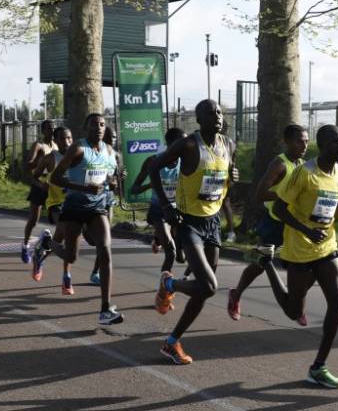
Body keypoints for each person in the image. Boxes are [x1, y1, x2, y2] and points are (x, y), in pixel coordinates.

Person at [262, 125, 338, 389]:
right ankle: (266, 263)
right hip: (300, 249)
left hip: (326, 247)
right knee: (293, 311)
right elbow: (279, 208)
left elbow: (337, 207)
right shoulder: (304, 173)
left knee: (337, 302)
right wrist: (305, 230)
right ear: (322, 145)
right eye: (336, 142)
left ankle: (318, 367)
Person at [150, 100, 237, 365]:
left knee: (202, 290)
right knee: (209, 286)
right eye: (211, 112)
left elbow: (224, 180)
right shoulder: (188, 145)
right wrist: (166, 206)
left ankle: (172, 342)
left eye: (220, 112)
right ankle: (169, 284)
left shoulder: (228, 144)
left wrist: (232, 176)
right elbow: (154, 166)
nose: (217, 116)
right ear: (199, 119)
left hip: (212, 222)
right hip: (188, 223)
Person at [227, 124, 309, 324]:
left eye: (306, 141)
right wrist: (287, 195)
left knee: (302, 266)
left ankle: (297, 306)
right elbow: (260, 194)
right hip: (275, 223)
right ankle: (236, 295)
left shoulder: (303, 165)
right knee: (260, 264)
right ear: (287, 141)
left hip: (293, 224)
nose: (304, 145)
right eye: (299, 141)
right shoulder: (279, 164)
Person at [47, 113, 124, 324]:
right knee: (71, 257)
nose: (98, 128)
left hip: (97, 208)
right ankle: (49, 243)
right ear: (85, 128)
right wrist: (84, 187)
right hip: (74, 207)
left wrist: (113, 184)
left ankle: (105, 309)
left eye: (102, 124)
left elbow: (109, 180)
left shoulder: (110, 152)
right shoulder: (78, 148)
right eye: (93, 125)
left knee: (105, 250)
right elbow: (55, 178)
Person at [130, 128, 187, 274]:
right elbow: (134, 189)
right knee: (171, 253)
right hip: (159, 210)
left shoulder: (187, 161)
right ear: (171, 144)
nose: (186, 146)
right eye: (182, 142)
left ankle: (158, 238)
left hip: (179, 210)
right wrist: (151, 184)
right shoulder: (152, 161)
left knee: (182, 258)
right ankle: (164, 287)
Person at [30, 126, 72, 294]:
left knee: (62, 241)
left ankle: (42, 249)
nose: (66, 142)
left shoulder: (78, 156)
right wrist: (43, 185)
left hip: (75, 203)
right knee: (68, 238)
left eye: (69, 138)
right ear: (55, 141)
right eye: (62, 138)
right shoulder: (50, 158)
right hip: (56, 204)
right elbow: (35, 176)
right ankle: (66, 278)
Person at [88, 126, 123, 286]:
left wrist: (120, 177)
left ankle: (96, 272)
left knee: (105, 239)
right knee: (93, 239)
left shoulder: (116, 155)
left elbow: (116, 178)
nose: (111, 140)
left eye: (114, 137)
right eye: (109, 137)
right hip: (92, 198)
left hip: (108, 198)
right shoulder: (94, 152)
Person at [21, 120, 57, 264]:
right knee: (33, 220)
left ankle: (44, 244)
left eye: (53, 128)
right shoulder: (38, 145)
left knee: (59, 219)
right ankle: (25, 246)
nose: (52, 131)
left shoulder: (56, 145)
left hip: (53, 187)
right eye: (48, 129)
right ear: (43, 131)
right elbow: (28, 166)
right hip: (39, 185)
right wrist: (41, 161)